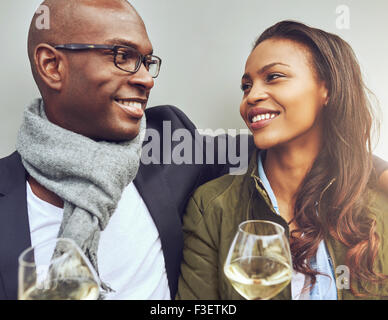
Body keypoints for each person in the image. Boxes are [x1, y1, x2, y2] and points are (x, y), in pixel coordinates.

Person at [0, 2, 387, 300]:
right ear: (52, 65)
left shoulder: (170, 143)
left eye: (147, 61)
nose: (145, 78)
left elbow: (296, 149)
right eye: (122, 56)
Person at [176, 20, 388, 300]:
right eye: (246, 86)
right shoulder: (212, 206)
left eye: (274, 76)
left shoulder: (378, 205)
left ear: (327, 90)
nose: (252, 95)